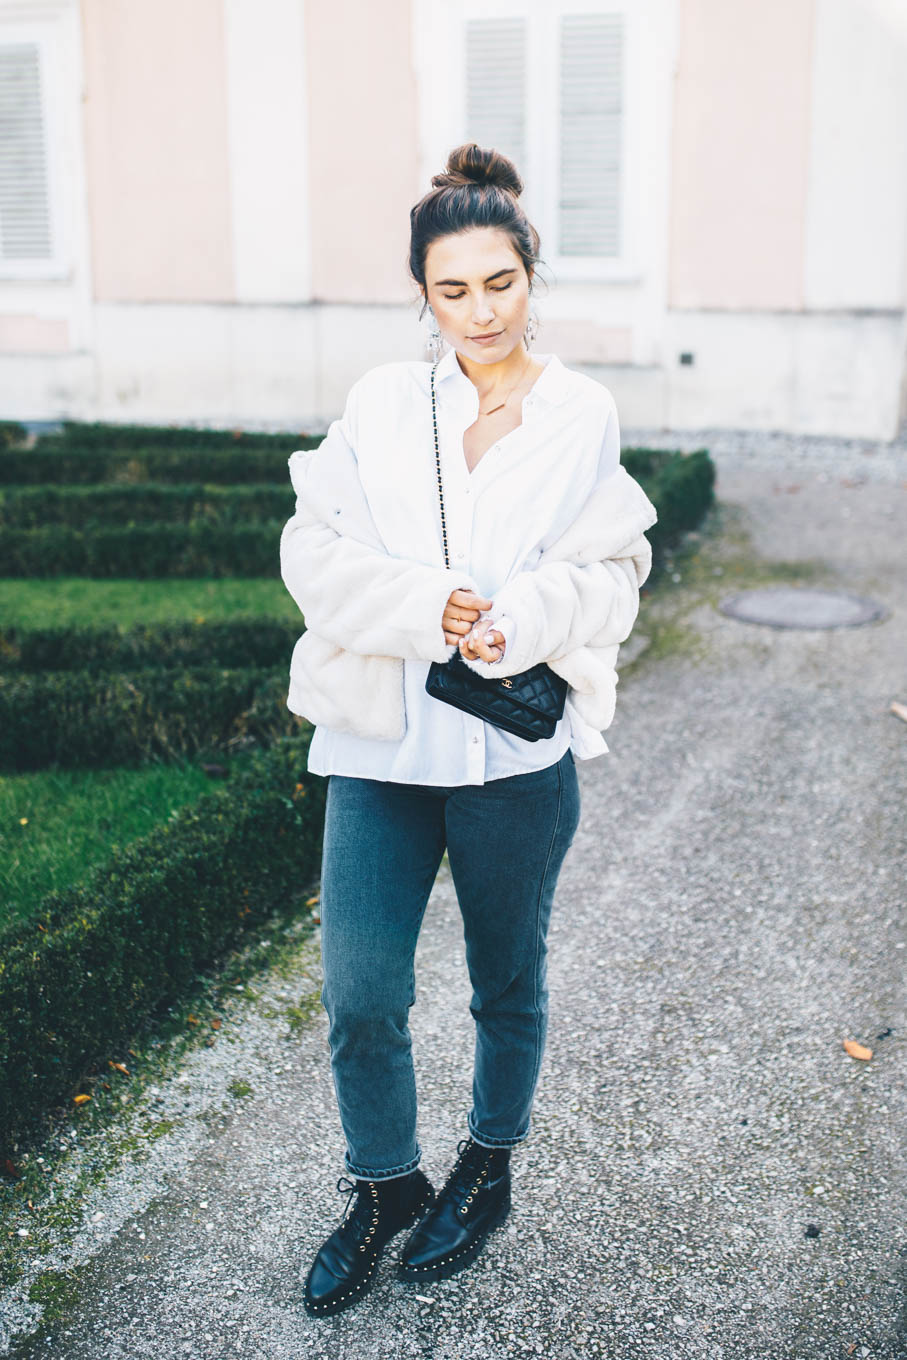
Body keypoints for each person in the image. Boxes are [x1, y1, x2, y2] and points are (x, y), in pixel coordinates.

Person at [279, 142, 658, 1318]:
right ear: (422, 293)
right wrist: (418, 606)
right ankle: (389, 1185)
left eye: (499, 282)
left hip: (511, 755)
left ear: (530, 271)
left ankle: (486, 1167)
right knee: (360, 991)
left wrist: (532, 614)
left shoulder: (580, 411)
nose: (479, 311)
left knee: (507, 982)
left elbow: (617, 568)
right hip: (383, 749)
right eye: (452, 289)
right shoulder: (382, 405)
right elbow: (309, 549)